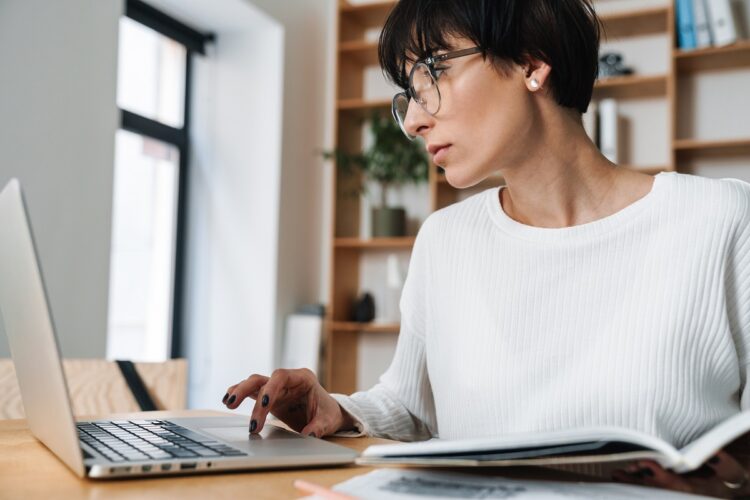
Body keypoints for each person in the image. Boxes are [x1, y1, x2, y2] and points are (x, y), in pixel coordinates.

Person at [222, 0, 750, 496]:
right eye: (409, 91)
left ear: (530, 63)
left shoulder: (721, 221)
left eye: (433, 71)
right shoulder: (444, 240)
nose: (413, 119)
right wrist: (333, 410)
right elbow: (411, 407)